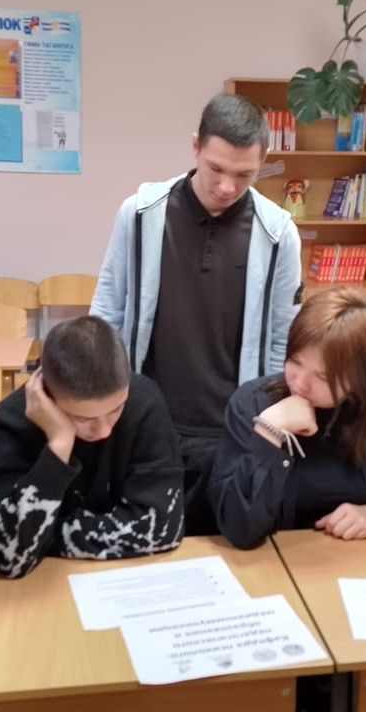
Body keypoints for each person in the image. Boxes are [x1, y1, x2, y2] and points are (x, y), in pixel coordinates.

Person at [90, 93, 302, 536]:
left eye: (244, 175)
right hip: (146, 418)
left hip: (231, 426)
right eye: (216, 168)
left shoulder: (278, 233)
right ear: (195, 147)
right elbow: (108, 309)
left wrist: (265, 420)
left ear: (262, 163)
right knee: (143, 539)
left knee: (220, 546)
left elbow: (283, 338)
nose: (226, 186)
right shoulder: (141, 214)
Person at [209, 288, 366, 550]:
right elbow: (238, 529)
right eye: (295, 362)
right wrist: (269, 434)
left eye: (323, 377)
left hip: (354, 559)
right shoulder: (252, 403)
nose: (300, 383)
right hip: (269, 560)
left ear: (363, 380)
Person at [0, 316, 184, 578]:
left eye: (116, 410)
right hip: (44, 585)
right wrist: (59, 445)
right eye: (82, 418)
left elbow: (162, 531)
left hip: (126, 577)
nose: (104, 430)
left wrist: (44, 540)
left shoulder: (145, 401)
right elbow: (8, 558)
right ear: (47, 395)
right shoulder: (10, 423)